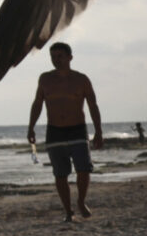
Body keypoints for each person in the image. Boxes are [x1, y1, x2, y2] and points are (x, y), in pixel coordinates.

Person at [27, 43, 102, 221]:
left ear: (70, 57)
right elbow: (38, 103)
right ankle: (68, 211)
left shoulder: (81, 79)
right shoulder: (45, 79)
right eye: (53, 57)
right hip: (55, 131)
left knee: (83, 169)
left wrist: (98, 131)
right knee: (60, 173)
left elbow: (92, 105)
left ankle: (81, 201)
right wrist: (31, 127)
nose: (56, 60)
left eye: (60, 56)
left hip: (77, 129)